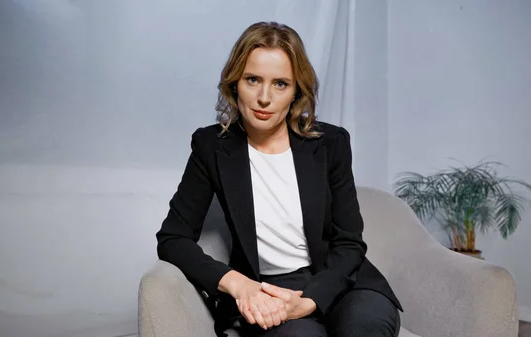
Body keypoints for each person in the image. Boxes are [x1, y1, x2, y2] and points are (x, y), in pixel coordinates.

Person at [156, 21, 402, 337]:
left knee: (365, 331)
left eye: (280, 84)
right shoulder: (211, 147)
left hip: (342, 283)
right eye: (253, 80)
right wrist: (239, 285)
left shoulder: (330, 143)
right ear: (234, 84)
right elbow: (173, 239)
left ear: (296, 90)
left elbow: (349, 242)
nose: (264, 97)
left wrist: (311, 299)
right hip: (267, 290)